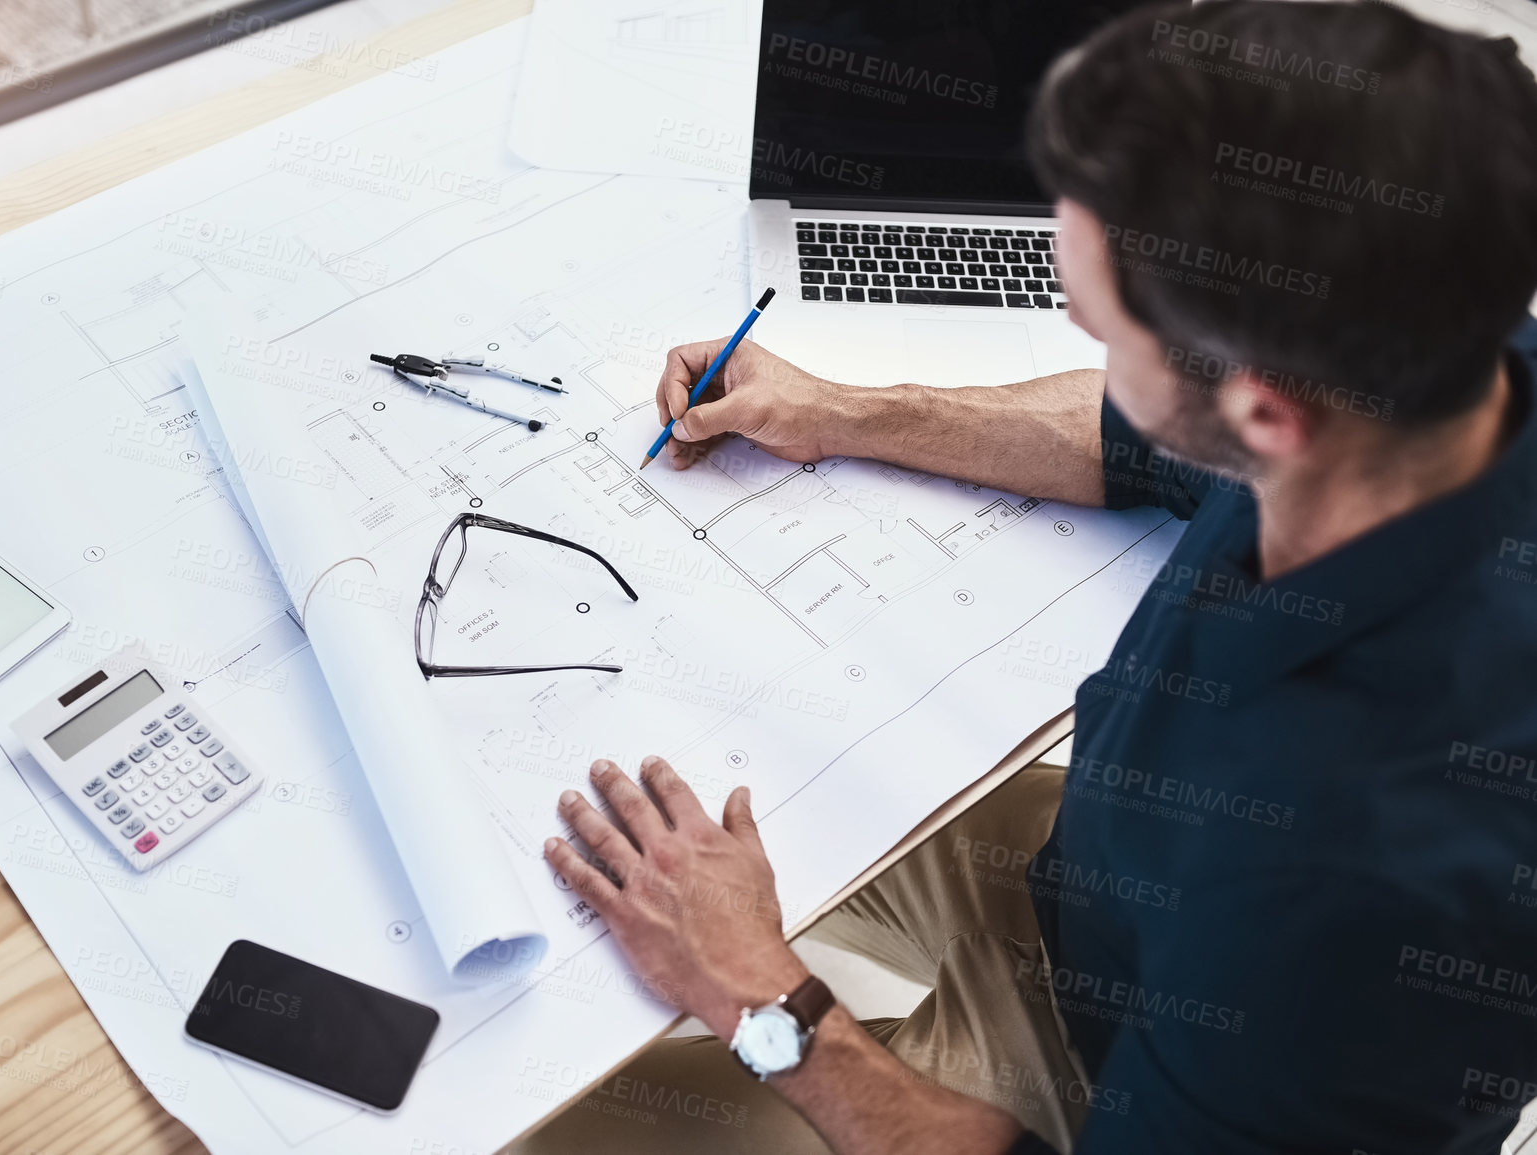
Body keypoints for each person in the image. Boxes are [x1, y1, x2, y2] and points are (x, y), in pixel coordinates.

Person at [519, 1, 1537, 1152]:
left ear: (1262, 413)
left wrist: (762, 996)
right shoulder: (1446, 352)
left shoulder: (1358, 898)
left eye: (1107, 320)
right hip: (1104, 872)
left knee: (558, 1120)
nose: (1066, 312)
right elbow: (1139, 439)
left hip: (1124, 1077)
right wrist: (843, 411)